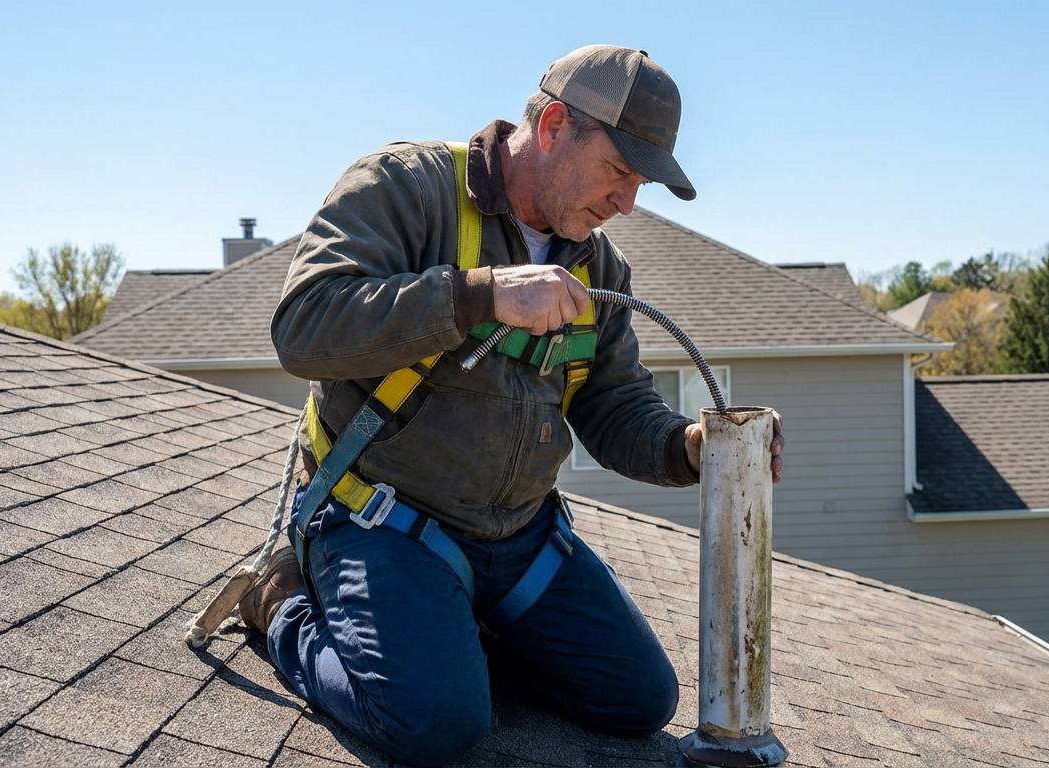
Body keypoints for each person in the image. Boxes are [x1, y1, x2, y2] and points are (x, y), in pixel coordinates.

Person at [241, 45, 784, 766]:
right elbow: (304, 327)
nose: (628, 202)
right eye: (619, 171)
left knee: (638, 700)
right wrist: (481, 295)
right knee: (435, 725)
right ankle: (282, 606)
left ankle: (456, 634)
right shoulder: (408, 188)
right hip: (385, 521)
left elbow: (616, 407)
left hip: (519, 539)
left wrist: (689, 445)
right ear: (555, 125)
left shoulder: (597, 267)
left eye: (640, 181)